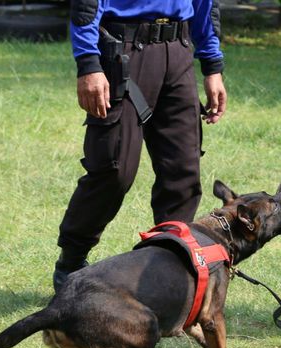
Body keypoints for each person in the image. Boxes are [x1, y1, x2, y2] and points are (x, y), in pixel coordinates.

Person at [53, 0, 228, 292]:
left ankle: (170, 268)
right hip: (124, 49)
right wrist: (88, 63)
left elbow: (205, 4)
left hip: (178, 50)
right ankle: (72, 259)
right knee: (113, 169)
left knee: (183, 171)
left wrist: (213, 66)